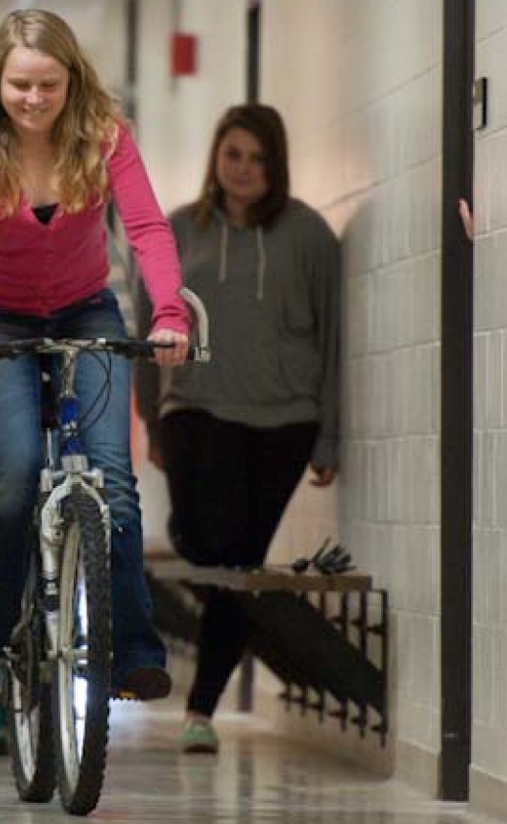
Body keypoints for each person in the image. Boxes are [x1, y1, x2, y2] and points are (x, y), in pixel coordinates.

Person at [0, 9, 187, 704]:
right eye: (21, 85)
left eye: (49, 85)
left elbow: (147, 231)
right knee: (12, 473)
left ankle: (133, 650)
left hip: (85, 308)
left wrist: (167, 312)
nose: (35, 100)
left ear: (72, 81)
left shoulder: (104, 138)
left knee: (114, 481)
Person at [137, 104, 341, 754]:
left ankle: (201, 709)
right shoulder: (177, 232)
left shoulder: (309, 236)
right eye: (233, 155)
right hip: (195, 409)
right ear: (215, 159)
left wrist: (329, 435)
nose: (244, 169)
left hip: (285, 420)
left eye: (257, 158)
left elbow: (335, 340)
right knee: (209, 541)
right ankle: (185, 532)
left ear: (275, 164)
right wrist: (153, 423)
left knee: (239, 566)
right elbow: (150, 334)